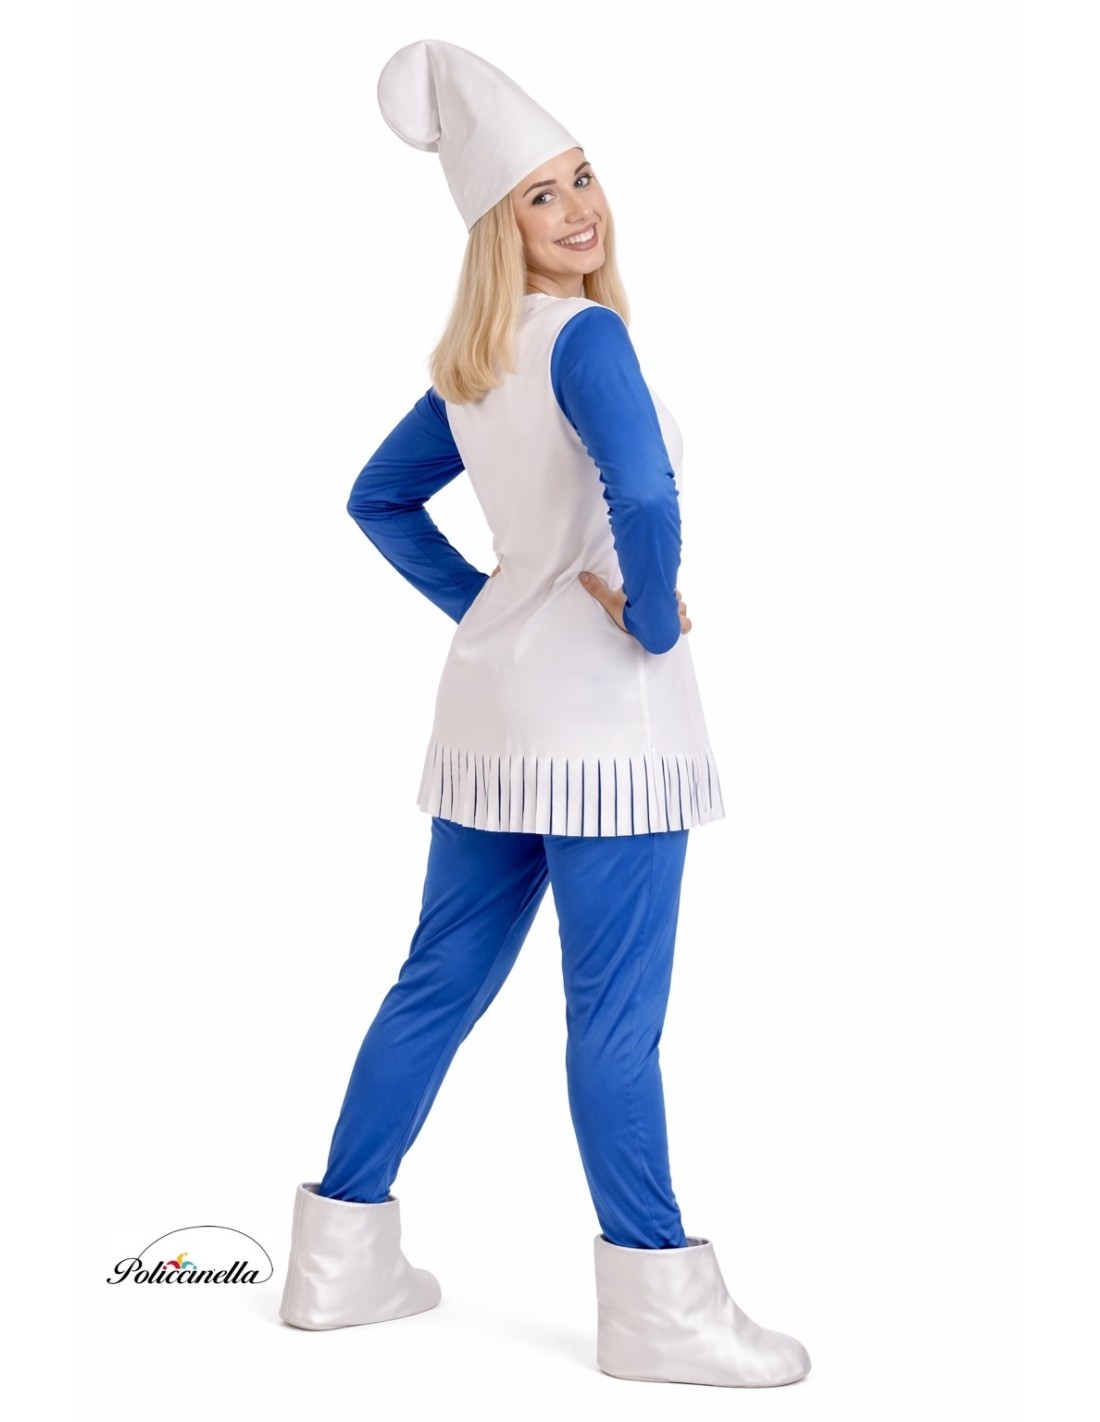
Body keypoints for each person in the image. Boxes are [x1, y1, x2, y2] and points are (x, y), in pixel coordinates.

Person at [278, 38, 811, 1389]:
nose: (579, 208)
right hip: (609, 728)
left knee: (437, 980)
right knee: (615, 1020)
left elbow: (379, 500)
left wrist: (488, 601)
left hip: (491, 717)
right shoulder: (586, 338)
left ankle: (339, 1260)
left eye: (584, 177)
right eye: (541, 193)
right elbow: (646, 494)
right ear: (495, 224)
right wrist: (650, 618)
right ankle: (659, 1303)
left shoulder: (476, 358)